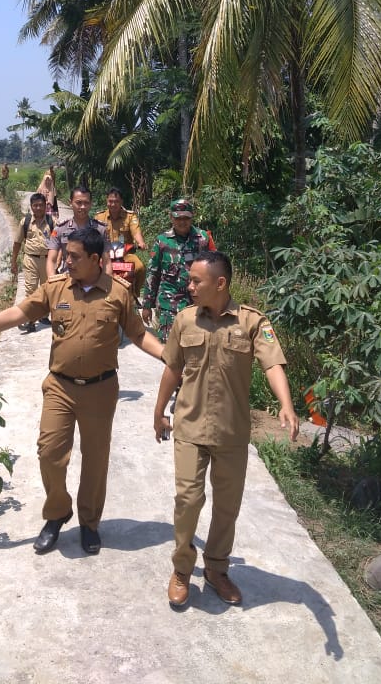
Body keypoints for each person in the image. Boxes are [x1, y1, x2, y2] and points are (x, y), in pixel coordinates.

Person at [0, 227, 165, 555]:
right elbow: (19, 313)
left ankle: (89, 522)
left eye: (74, 256)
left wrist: (167, 355)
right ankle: (58, 512)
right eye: (66, 255)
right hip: (60, 386)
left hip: (100, 389)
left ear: (95, 260)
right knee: (49, 454)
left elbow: (140, 335)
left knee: (96, 460)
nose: (65, 261)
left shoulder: (118, 293)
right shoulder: (56, 288)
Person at [153, 250, 299, 609]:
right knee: (188, 500)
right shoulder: (184, 321)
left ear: (220, 283)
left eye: (195, 281)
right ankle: (182, 569)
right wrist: (158, 412)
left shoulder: (251, 322)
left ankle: (217, 569)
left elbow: (273, 363)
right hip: (189, 425)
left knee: (227, 507)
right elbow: (172, 368)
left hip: (232, 432)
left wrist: (287, 404)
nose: (189, 286)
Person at [141, 198, 216, 342]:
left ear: (192, 216)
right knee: (169, 350)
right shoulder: (162, 241)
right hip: (169, 305)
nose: (182, 222)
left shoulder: (203, 238)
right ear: (171, 217)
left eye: (186, 218)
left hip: (198, 304)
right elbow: (153, 273)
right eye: (178, 218)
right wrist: (147, 305)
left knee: (197, 347)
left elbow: (214, 269)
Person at [46, 185, 110, 278]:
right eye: (78, 203)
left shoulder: (100, 229)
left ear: (91, 204)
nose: (83, 207)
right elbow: (51, 260)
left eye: (86, 203)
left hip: (93, 281)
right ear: (70, 203)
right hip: (68, 280)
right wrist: (52, 284)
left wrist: (106, 285)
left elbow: (107, 261)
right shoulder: (60, 229)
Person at [11, 192, 53, 333]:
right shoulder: (26, 222)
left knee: (47, 289)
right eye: (35, 205)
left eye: (41, 205)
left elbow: (58, 243)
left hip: (47, 261)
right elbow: (17, 243)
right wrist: (13, 262)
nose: (38, 208)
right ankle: (30, 320)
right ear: (31, 207)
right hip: (30, 259)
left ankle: (43, 316)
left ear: (45, 206)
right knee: (30, 290)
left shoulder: (52, 222)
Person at [95, 186, 147, 297]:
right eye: (110, 201)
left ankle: (135, 294)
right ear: (106, 201)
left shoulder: (130, 216)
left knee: (140, 267)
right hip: (105, 254)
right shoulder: (99, 216)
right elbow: (94, 234)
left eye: (116, 201)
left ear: (121, 202)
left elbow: (136, 230)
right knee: (92, 267)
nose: (113, 204)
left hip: (125, 254)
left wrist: (140, 242)